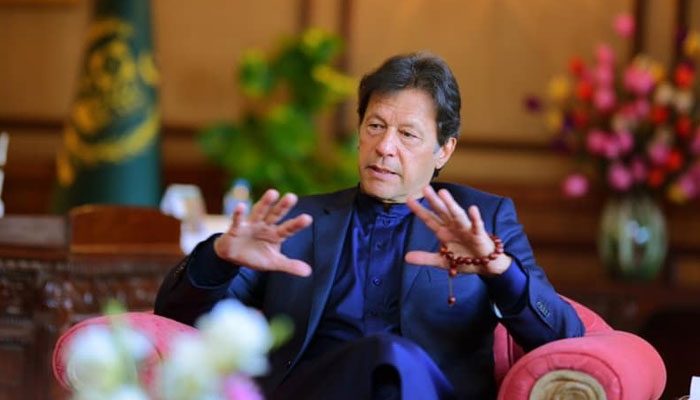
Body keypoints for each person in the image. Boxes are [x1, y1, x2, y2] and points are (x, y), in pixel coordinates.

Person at [154, 52, 585, 399]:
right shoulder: (295, 221)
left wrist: (498, 270)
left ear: (444, 150)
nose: (384, 147)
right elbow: (174, 317)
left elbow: (564, 336)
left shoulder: (481, 219)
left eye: (408, 135)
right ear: (359, 132)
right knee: (381, 352)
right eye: (375, 126)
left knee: (391, 356)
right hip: (313, 392)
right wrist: (219, 257)